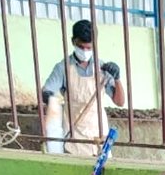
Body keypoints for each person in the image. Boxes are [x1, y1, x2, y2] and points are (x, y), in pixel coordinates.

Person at [41, 19, 125, 157]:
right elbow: (46, 91)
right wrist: (49, 97)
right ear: (73, 41)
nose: (85, 51)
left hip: (99, 138)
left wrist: (117, 78)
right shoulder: (63, 68)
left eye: (89, 48)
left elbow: (120, 102)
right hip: (74, 139)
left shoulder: (102, 68)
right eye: (81, 47)